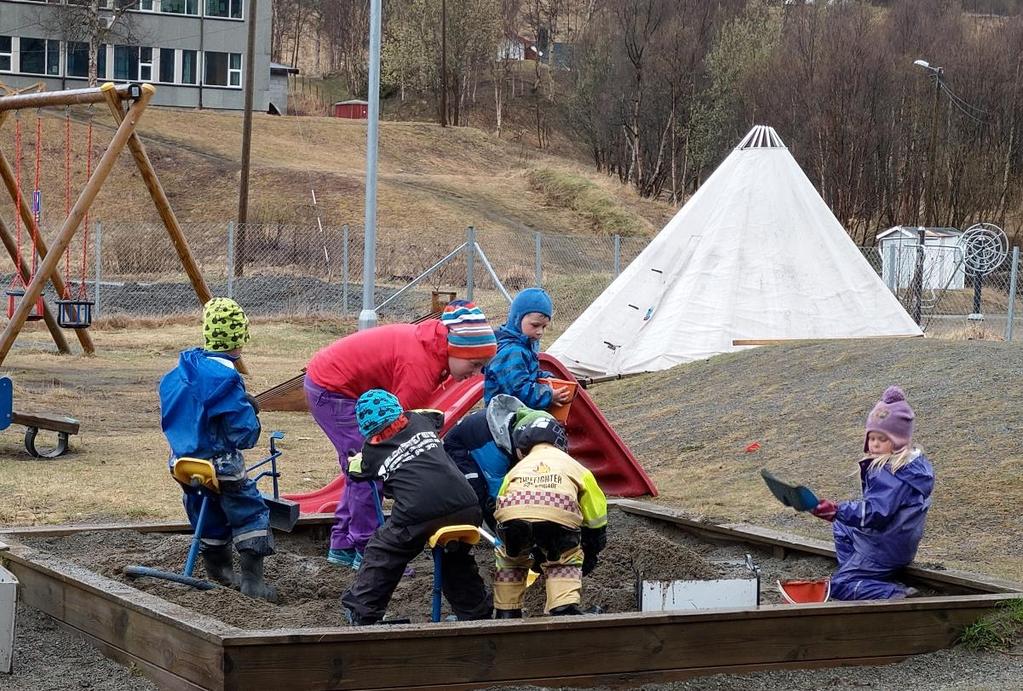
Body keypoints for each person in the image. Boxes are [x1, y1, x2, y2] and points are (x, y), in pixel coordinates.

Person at [304, 301, 497, 569]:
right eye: (474, 364)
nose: (476, 374)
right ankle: (370, 550)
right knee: (371, 467)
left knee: (359, 466)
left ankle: (343, 546)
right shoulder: (419, 365)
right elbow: (398, 432)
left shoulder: (433, 345)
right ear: (454, 349)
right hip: (334, 389)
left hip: (336, 384)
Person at [340, 389, 493, 625]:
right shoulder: (420, 421)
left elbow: (357, 471)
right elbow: (437, 417)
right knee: (456, 558)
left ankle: (363, 611)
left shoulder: (372, 453)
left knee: (384, 551)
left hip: (419, 510)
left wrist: (353, 462)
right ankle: (475, 612)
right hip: (467, 504)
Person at [158, 297, 276, 601]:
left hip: (182, 462)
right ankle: (253, 582)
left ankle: (219, 570)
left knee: (203, 506)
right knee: (249, 510)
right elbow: (243, 433)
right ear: (239, 341)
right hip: (219, 463)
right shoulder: (225, 378)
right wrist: (251, 412)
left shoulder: (178, 374)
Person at [810, 386, 934, 600]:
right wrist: (839, 516)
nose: (875, 444)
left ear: (898, 441)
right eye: (872, 438)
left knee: (839, 586)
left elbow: (875, 513)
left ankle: (893, 592)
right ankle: (861, 573)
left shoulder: (889, 473)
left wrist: (836, 510)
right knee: (841, 526)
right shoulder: (913, 467)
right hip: (899, 542)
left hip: (883, 549)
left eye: (882, 439)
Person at [492, 411, 607, 618]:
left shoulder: (516, 470)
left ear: (521, 449)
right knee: (564, 558)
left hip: (513, 517)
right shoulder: (575, 466)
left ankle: (506, 610)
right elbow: (596, 511)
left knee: (510, 559)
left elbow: (501, 501)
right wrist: (594, 541)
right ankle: (563, 607)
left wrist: (512, 538)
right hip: (557, 516)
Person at [442, 393, 526, 530]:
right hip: (458, 448)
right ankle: (492, 530)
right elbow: (496, 491)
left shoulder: (521, 432)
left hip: (481, 434)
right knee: (478, 493)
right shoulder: (497, 455)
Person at [483, 288, 572, 411]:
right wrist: (548, 395)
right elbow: (517, 390)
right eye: (535, 325)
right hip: (504, 418)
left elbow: (529, 374)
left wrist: (546, 377)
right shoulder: (511, 352)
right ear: (517, 319)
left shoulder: (523, 348)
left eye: (544, 327)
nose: (540, 332)